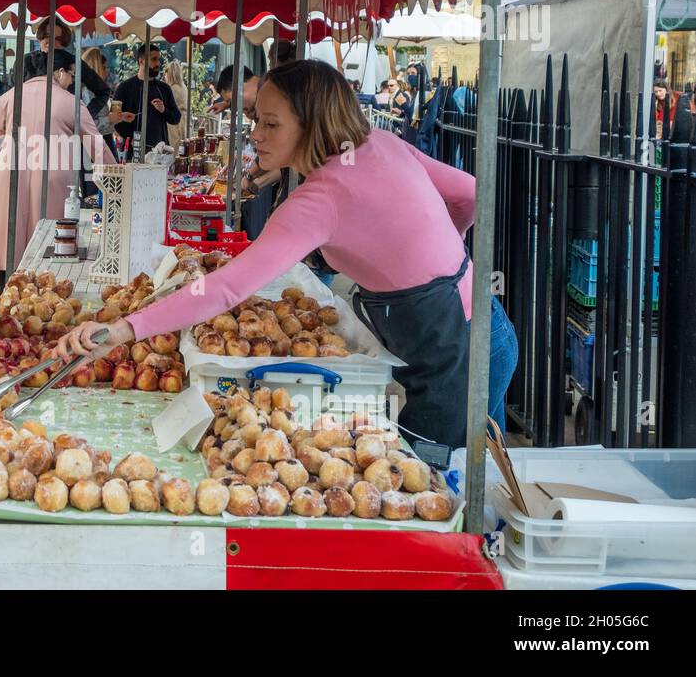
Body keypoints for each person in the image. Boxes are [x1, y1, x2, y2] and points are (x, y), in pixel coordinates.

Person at [58, 60, 518, 449]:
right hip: (485, 326)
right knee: (478, 479)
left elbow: (226, 287)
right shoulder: (379, 143)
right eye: (257, 119)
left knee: (444, 493)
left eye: (271, 124)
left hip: (458, 359)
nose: (255, 133)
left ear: (313, 124)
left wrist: (123, 328)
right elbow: (471, 196)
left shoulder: (322, 199)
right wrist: (449, 264)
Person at [0, 48, 116, 274]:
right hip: (52, 170)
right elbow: (98, 147)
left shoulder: (10, 95)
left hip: (10, 168)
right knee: (49, 242)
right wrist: (118, 174)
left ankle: (11, 293)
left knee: (12, 234)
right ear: (58, 73)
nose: (71, 80)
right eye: (71, 74)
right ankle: (43, 292)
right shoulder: (70, 102)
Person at [23, 17, 112, 123]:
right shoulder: (27, 60)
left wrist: (83, 117)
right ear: (40, 37)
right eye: (47, 36)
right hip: (31, 123)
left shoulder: (74, 61)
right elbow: (15, 93)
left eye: (58, 39)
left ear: (64, 42)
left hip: (65, 127)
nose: (52, 41)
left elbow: (103, 91)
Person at [113, 44, 181, 157]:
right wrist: (130, 137)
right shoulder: (124, 88)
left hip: (160, 153)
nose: (158, 64)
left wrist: (164, 110)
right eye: (154, 59)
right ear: (141, 61)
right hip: (133, 152)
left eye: (159, 59)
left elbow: (176, 118)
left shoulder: (164, 89)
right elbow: (114, 119)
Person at [164, 60, 189, 145]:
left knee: (174, 149)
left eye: (166, 73)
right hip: (184, 122)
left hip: (174, 123)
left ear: (170, 74)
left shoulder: (172, 89)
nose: (165, 76)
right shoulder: (184, 87)